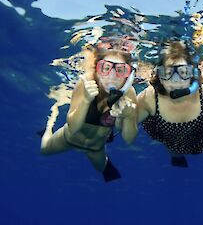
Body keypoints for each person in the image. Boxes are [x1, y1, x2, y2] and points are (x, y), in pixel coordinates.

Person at [135, 40, 203, 167]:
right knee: (173, 150)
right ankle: (178, 159)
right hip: (172, 142)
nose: (176, 81)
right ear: (159, 75)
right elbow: (127, 120)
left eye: (183, 72)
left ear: (193, 74)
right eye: (168, 73)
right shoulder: (149, 97)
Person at [40, 45, 138, 182]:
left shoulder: (128, 93)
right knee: (44, 150)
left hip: (96, 148)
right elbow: (73, 128)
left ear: (129, 75)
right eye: (106, 68)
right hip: (68, 139)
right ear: (97, 69)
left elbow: (129, 139)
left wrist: (128, 116)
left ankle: (106, 163)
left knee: (101, 168)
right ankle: (49, 126)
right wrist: (86, 100)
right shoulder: (86, 82)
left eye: (120, 70)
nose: (112, 76)